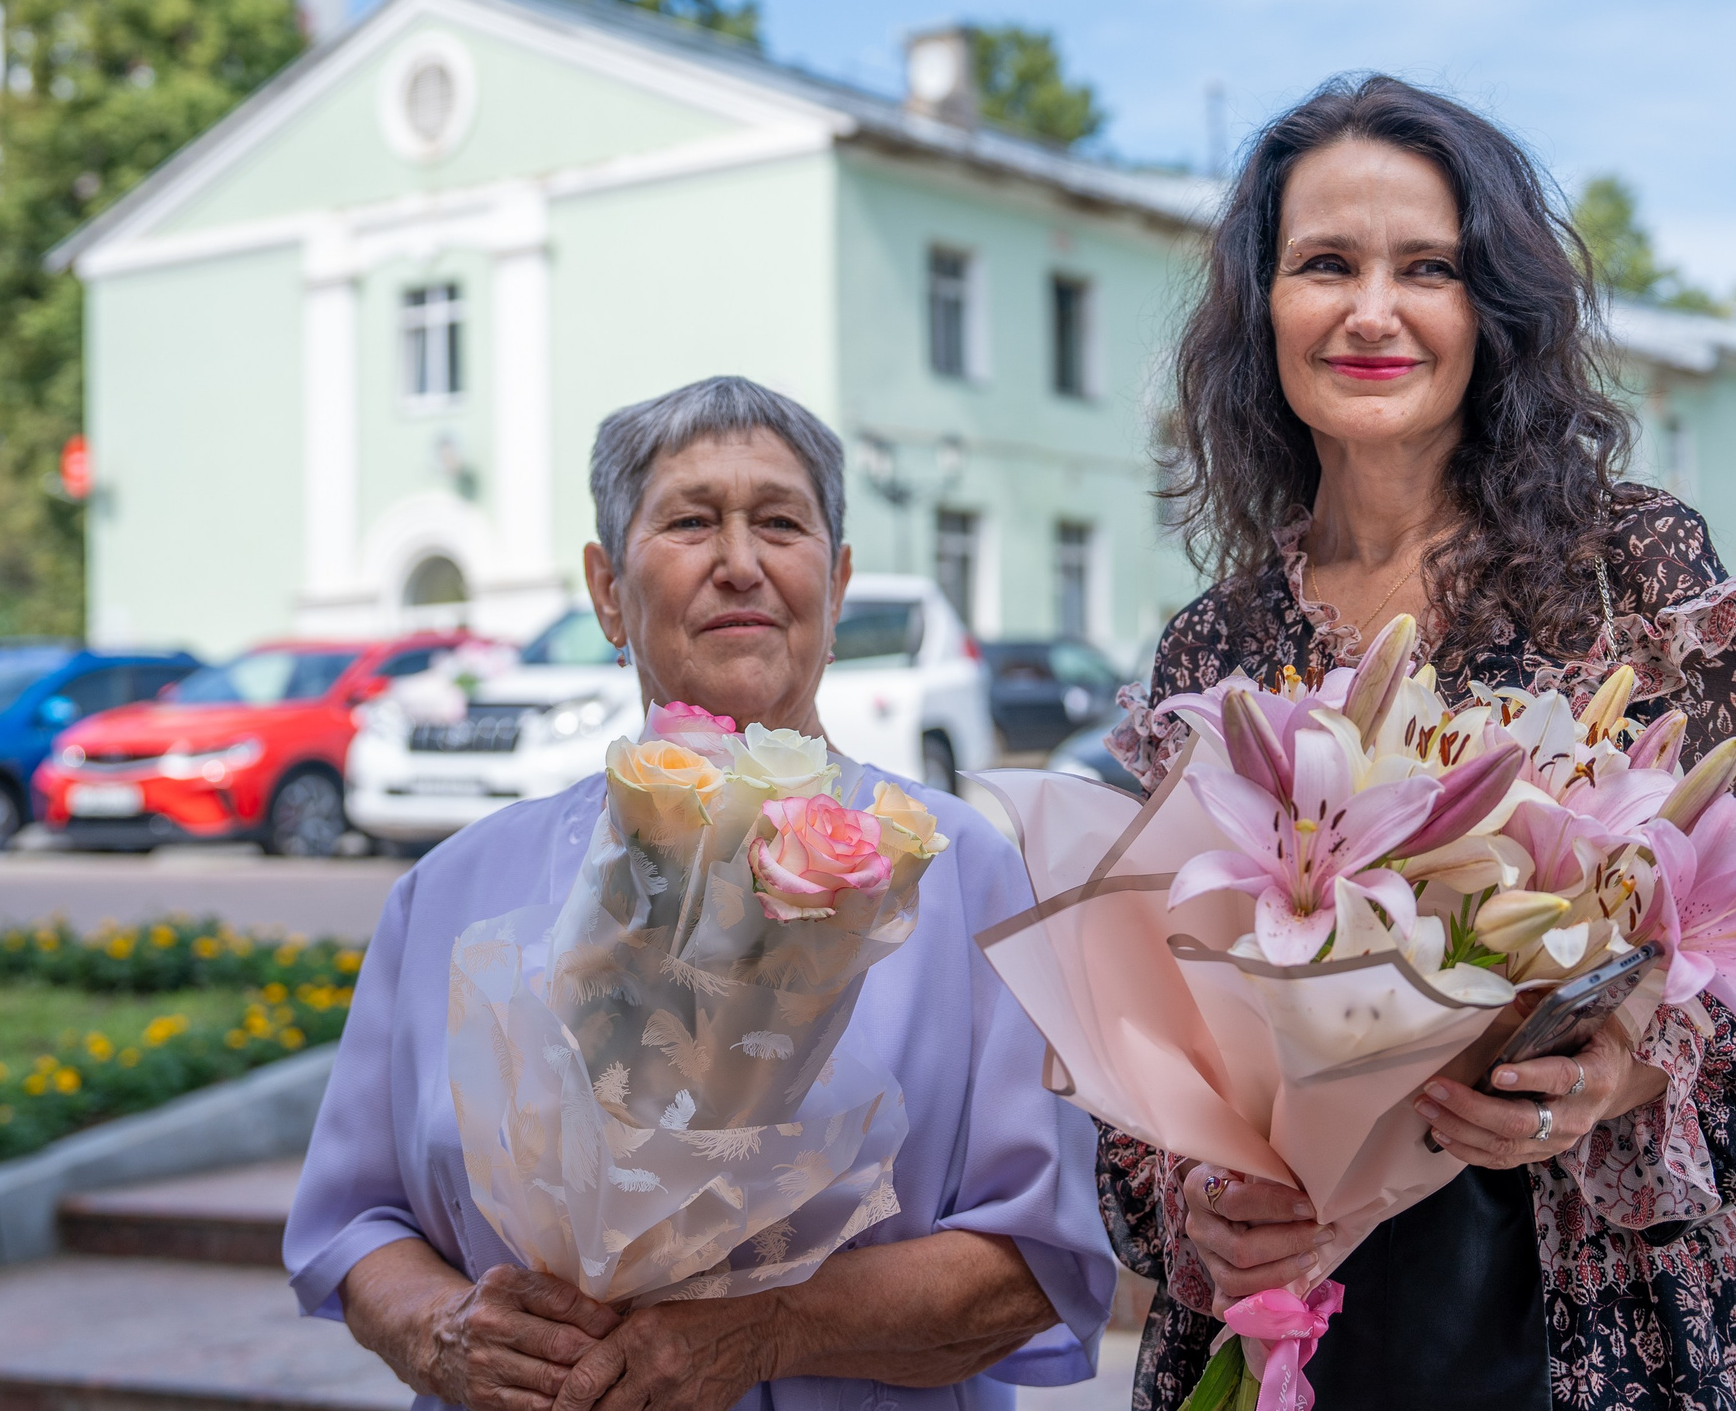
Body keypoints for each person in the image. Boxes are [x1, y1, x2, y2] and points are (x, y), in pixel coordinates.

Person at [1102, 77, 1736, 1410]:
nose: (1373, 310)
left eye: (1428, 268)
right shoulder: (1209, 652)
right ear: (1263, 307)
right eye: (1325, 262)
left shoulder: (1633, 574)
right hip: (1294, 1339)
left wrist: (1615, 1076)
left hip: (1586, 1330)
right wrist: (1195, 1202)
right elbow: (1139, 1090)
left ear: (1491, 310)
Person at [285, 376, 1115, 1411]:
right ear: (604, 587)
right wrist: (441, 1331)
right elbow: (359, 1223)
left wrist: (764, 1329)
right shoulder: (449, 888)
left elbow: (1033, 1257)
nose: (740, 562)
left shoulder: (966, 874)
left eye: (779, 521)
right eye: (689, 520)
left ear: (839, 576)